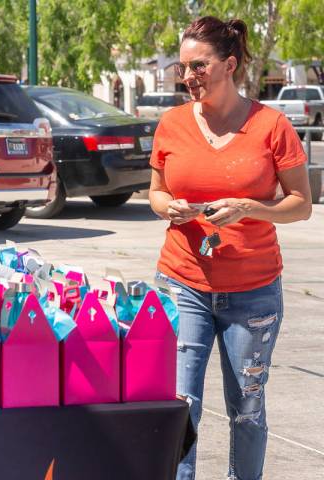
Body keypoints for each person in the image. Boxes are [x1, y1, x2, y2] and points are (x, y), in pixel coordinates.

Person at [148, 16, 312, 480]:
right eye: (182, 68)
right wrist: (169, 207)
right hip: (182, 284)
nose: (188, 77)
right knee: (180, 407)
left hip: (253, 291)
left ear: (230, 64)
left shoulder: (271, 126)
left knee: (247, 409)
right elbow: (155, 191)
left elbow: (301, 205)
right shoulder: (172, 124)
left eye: (198, 66)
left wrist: (249, 208)